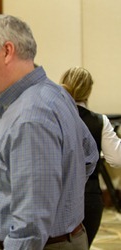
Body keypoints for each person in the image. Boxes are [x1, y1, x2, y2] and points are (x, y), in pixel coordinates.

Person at [0, 14, 99, 250]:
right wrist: (62, 199)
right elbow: (89, 155)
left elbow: (30, 226)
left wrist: (53, 205)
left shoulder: (30, 117)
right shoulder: (53, 93)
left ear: (7, 51)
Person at [60, 66, 121, 246]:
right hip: (88, 198)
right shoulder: (99, 121)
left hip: (58, 198)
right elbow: (116, 158)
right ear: (89, 91)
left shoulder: (52, 116)